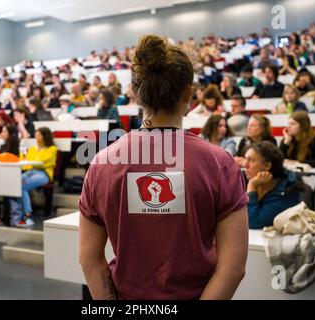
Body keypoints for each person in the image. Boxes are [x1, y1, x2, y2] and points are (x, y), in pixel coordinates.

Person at [79, 35, 248, 300]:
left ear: (136, 93)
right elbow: (233, 268)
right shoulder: (219, 163)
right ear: (189, 94)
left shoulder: (101, 163)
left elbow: (89, 258)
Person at [244, 142, 302, 229]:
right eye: (245, 159)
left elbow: (252, 222)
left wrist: (251, 187)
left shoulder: (287, 191)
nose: (245, 165)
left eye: (251, 160)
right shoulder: (245, 181)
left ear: (267, 165)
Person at [17, 127, 57, 228]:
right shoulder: (33, 149)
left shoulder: (52, 149)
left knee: (22, 187)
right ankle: (20, 213)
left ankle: (27, 214)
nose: (36, 137)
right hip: (31, 171)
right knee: (15, 184)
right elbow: (25, 161)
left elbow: (44, 162)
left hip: (44, 174)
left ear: (44, 136)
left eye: (38, 135)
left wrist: (33, 162)